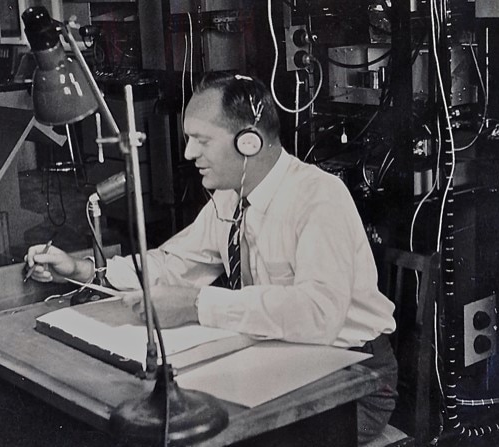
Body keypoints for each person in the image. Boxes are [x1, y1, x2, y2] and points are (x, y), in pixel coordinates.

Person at [25, 72, 398, 445]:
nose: (188, 154)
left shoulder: (319, 197)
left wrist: (197, 305)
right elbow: (173, 263)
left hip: (353, 378)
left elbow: (319, 313)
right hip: (282, 359)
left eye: (201, 140)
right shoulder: (229, 197)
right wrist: (83, 269)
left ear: (249, 142)